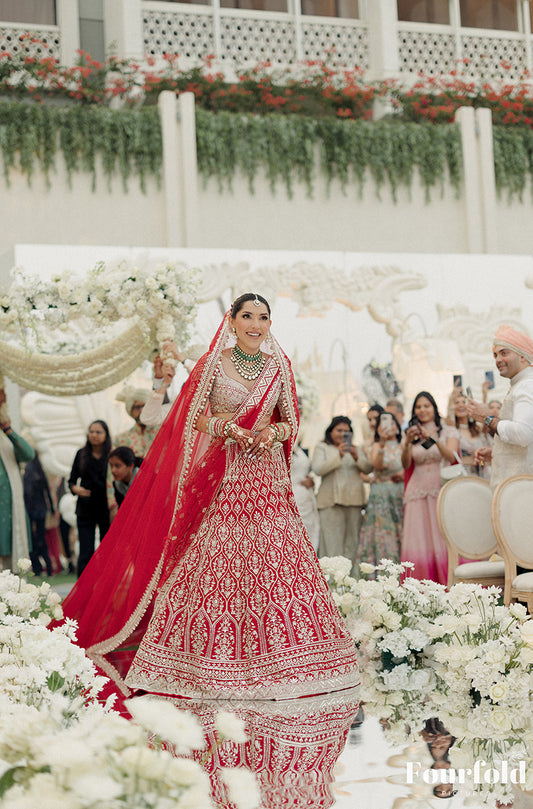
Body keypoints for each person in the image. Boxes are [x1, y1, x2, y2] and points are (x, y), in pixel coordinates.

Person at [60, 294, 359, 702]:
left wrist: (272, 433)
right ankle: (210, 658)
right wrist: (227, 428)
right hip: (227, 475)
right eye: (248, 316)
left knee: (276, 560)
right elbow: (192, 415)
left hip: (267, 478)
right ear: (232, 321)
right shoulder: (214, 363)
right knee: (221, 559)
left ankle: (289, 655)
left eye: (264, 317)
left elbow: (291, 422)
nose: (256, 324)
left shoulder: (278, 367)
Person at [401, 391, 459, 585]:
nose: (423, 410)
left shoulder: (448, 431)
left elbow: (451, 457)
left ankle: (447, 581)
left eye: (427, 406)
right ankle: (419, 587)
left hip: (439, 488)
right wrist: (408, 443)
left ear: (434, 408)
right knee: (418, 538)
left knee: (441, 536)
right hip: (416, 490)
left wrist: (432, 438)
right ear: (414, 411)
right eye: (419, 407)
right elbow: (405, 463)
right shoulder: (410, 434)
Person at [469, 325, 533, 488]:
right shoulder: (519, 385)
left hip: (519, 490)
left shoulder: (526, 386)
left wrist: (487, 418)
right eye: (495, 355)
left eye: (504, 353)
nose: (498, 360)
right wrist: (497, 453)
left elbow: (523, 434)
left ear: (523, 357)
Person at [311, 415, 372, 568]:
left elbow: (368, 468)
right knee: (331, 545)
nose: (342, 434)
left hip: (354, 502)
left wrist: (356, 456)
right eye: (339, 430)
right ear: (330, 431)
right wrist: (339, 455)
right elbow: (318, 469)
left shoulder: (355, 449)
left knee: (352, 544)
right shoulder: (322, 447)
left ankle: (349, 583)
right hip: (330, 502)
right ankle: (331, 583)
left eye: (347, 431)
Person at [355, 411, 404, 570]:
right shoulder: (376, 445)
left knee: (401, 530)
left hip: (400, 493)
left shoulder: (404, 445)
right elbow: (376, 466)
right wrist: (382, 443)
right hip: (381, 495)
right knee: (383, 534)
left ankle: (403, 569)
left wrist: (404, 474)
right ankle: (384, 571)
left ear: (397, 426)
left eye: (392, 422)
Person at [68, 420, 112, 577]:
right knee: (85, 553)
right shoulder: (81, 454)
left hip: (107, 507)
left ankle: (106, 588)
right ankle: (83, 591)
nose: (94, 435)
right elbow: (71, 481)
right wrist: (75, 489)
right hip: (85, 508)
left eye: (98, 432)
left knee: (108, 551)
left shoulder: (111, 454)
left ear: (106, 435)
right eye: (91, 431)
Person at [0, 389, 34, 571]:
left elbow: (28, 454)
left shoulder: (6, 439)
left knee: (10, 569)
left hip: (10, 510)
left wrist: (8, 430)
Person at [23, 451, 54, 577]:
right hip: (41, 509)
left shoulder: (27, 471)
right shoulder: (40, 471)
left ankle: (37, 568)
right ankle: (49, 568)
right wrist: (51, 508)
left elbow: (26, 493)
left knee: (33, 539)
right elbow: (47, 492)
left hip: (31, 510)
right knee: (42, 539)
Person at [446, 388, 490, 477]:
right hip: (461, 476)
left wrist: (484, 395)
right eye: (457, 403)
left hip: (481, 475)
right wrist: (451, 399)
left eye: (463, 402)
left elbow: (485, 418)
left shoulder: (477, 430)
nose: (461, 405)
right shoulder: (452, 430)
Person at [291, 441, 320, 552]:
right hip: (292, 494)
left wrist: (312, 481)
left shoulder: (302, 449)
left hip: (307, 496)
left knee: (309, 531)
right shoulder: (279, 447)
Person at [114, 388, 158, 458]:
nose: (142, 411)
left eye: (145, 406)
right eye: (137, 407)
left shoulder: (166, 432)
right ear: (131, 410)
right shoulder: (120, 440)